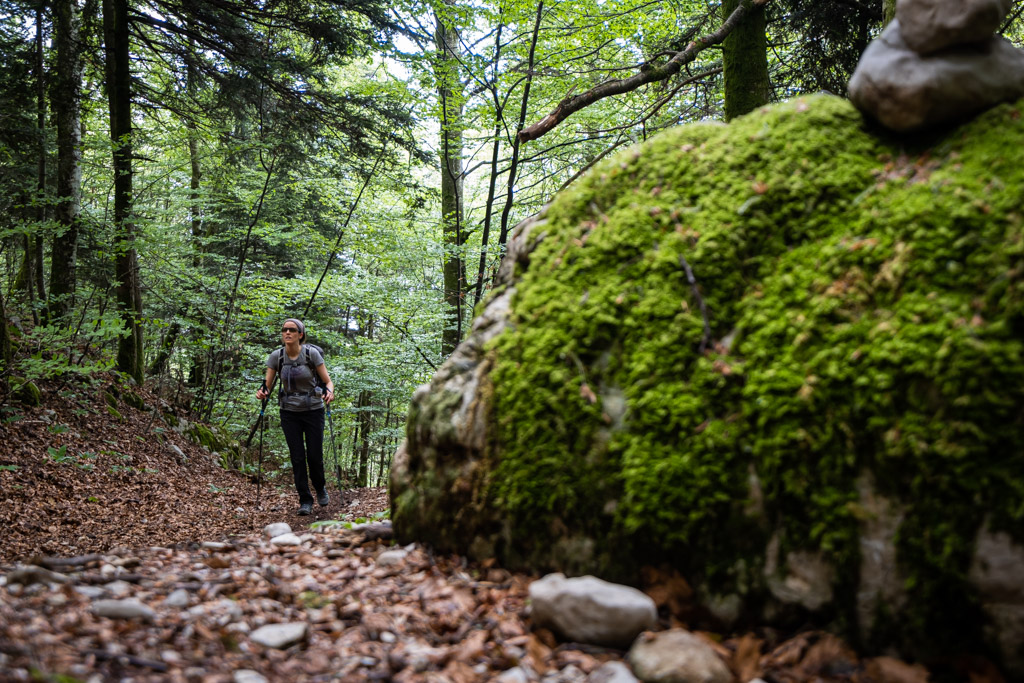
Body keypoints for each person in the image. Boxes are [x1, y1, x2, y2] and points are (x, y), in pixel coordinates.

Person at [256, 318, 335, 516]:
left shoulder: (311, 354)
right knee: (297, 457)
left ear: (300, 335)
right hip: (289, 412)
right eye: (284, 330)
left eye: (292, 330)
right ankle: (305, 500)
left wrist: (330, 393)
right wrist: (262, 392)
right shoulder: (277, 357)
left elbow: (328, 381)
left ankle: (320, 487)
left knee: (314, 456)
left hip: (313, 411)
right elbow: (267, 385)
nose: (287, 333)